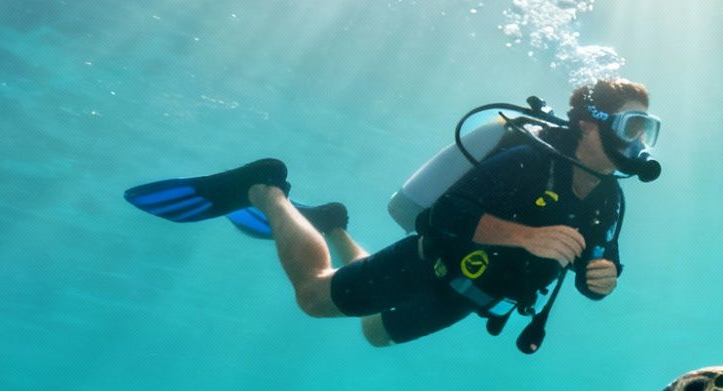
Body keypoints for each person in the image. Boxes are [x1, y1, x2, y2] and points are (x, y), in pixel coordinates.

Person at [123, 79, 656, 351]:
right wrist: (528, 237)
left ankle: (332, 223)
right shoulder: (527, 161)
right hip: (431, 265)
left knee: (373, 334)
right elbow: (444, 215)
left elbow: (598, 264)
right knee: (314, 298)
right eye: (634, 126)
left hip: (473, 299)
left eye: (646, 131)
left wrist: (602, 281)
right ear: (590, 122)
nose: (639, 141)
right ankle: (266, 189)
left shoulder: (610, 196)